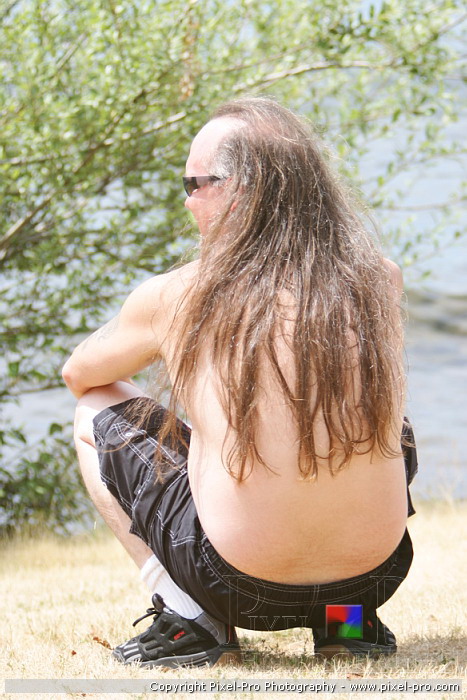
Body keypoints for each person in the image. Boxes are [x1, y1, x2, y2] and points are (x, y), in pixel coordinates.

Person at [62, 96, 417, 669]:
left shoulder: (181, 294)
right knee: (378, 420)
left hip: (232, 582)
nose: (187, 202)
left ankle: (189, 619)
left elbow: (80, 375)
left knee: (95, 408)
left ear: (241, 192)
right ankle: (347, 625)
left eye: (194, 184)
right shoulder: (379, 279)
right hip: (376, 572)